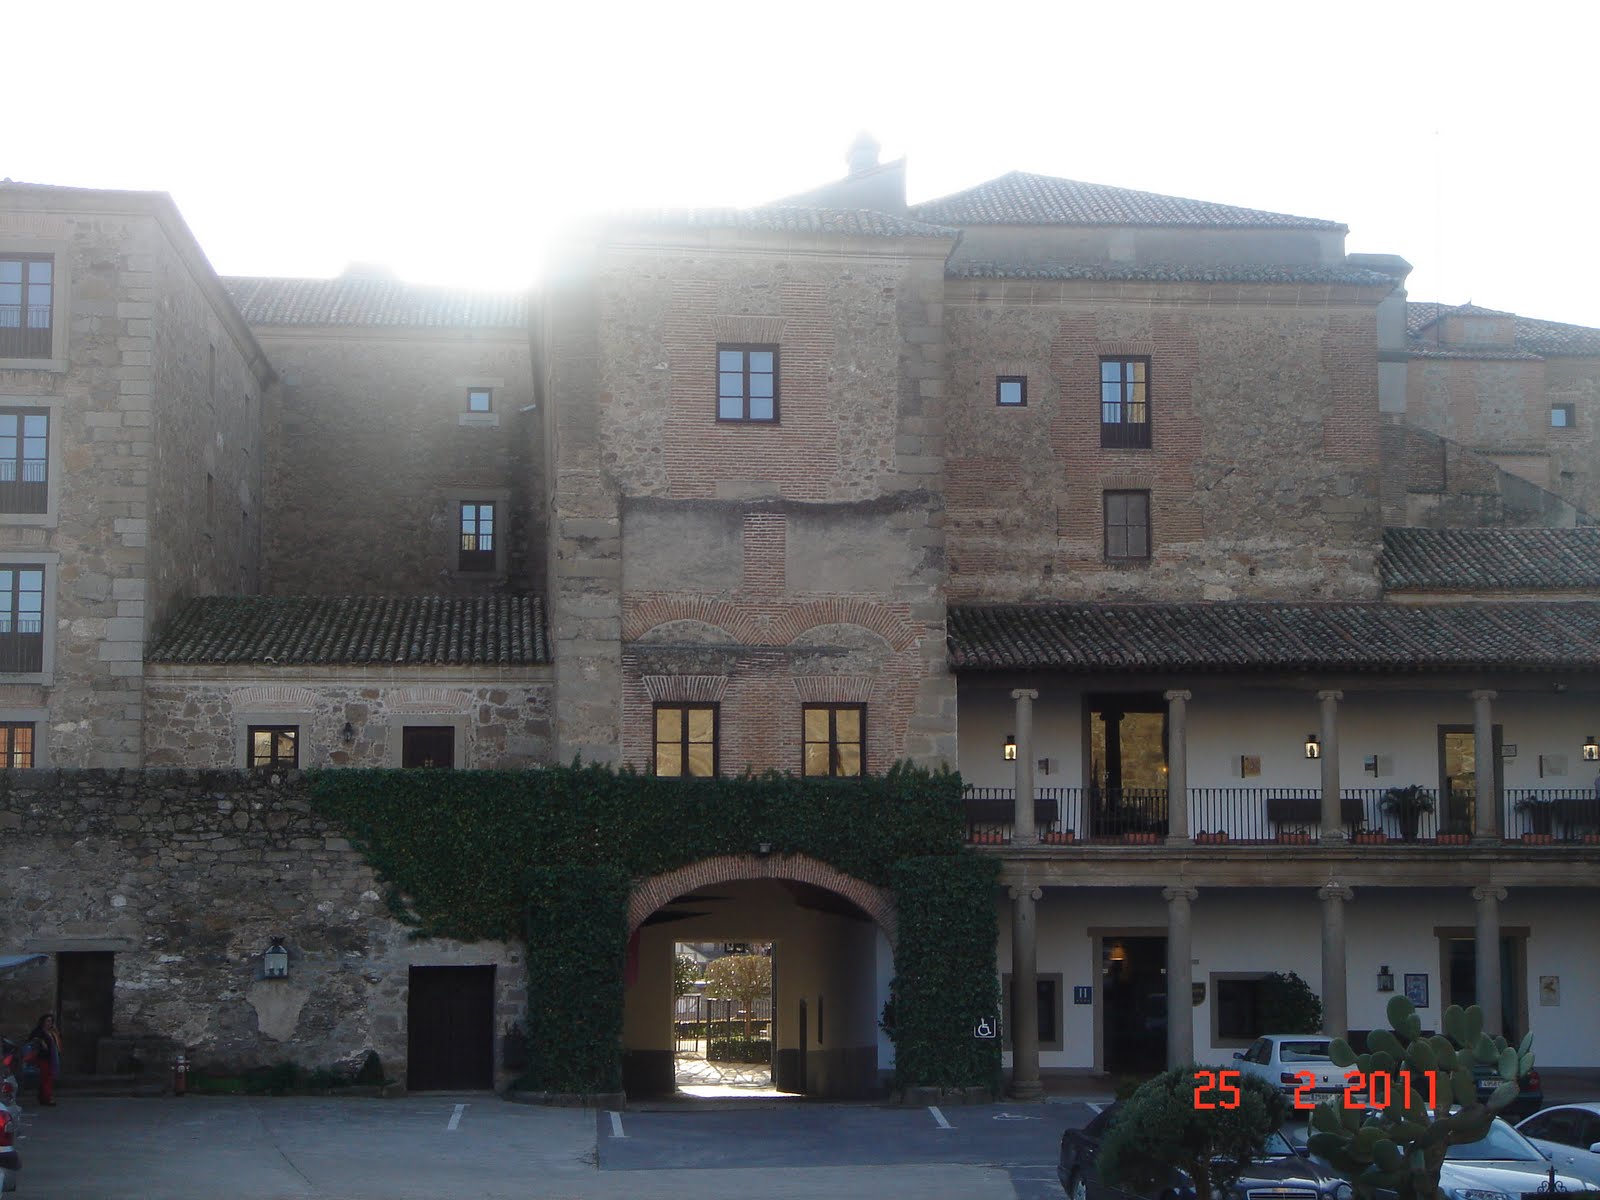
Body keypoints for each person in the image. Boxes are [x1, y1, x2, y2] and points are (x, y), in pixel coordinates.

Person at [27, 1014, 61, 1106]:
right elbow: (32, 1040)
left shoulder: (51, 1032)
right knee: (46, 1078)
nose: (49, 1023)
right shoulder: (39, 1032)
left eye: (51, 1021)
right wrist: (40, 1041)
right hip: (42, 1058)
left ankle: (43, 1096)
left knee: (47, 1078)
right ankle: (47, 1098)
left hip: (51, 1058)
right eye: (47, 1021)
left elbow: (56, 1044)